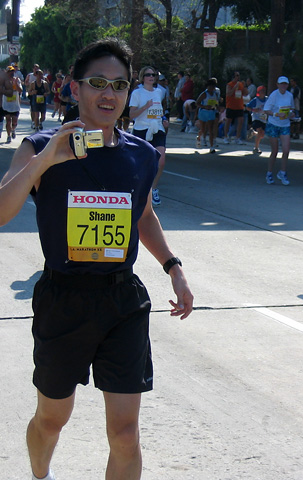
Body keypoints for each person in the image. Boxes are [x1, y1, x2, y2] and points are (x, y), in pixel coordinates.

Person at [0, 37, 193, 480]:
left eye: (120, 85)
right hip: (63, 300)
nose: (109, 94)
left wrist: (174, 268)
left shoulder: (141, 155)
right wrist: (46, 161)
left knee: (126, 433)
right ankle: (40, 475)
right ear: (74, 88)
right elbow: (2, 211)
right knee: (52, 420)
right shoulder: (40, 146)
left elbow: (142, 213)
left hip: (122, 301)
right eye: (98, 83)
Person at [129, 66, 169, 206]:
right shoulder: (137, 93)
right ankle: (140, 189)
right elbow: (131, 115)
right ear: (142, 77)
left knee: (161, 160)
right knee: (142, 163)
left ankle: (154, 188)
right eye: (148, 75)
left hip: (157, 128)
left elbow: (159, 110)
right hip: (142, 129)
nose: (151, 77)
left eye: (154, 74)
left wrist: (164, 119)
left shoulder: (159, 92)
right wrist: (145, 107)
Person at [263, 76, 295, 185]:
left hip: (285, 124)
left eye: (285, 84)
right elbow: (266, 110)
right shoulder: (274, 95)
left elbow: (291, 109)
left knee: (286, 150)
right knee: (275, 151)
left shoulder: (289, 95)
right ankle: (269, 173)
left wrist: (291, 114)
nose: (283, 86)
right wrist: (277, 114)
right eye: (281, 84)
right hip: (273, 124)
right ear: (277, 85)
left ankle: (282, 172)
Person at [195, 77, 221, 153]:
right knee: (203, 129)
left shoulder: (215, 94)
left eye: (213, 87)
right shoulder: (204, 94)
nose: (212, 88)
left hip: (211, 112)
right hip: (204, 112)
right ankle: (199, 137)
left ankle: (212, 146)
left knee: (211, 129)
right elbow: (197, 103)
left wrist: (217, 108)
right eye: (210, 86)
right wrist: (204, 106)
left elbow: (216, 103)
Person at [223, 71, 248, 145]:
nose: (238, 77)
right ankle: (226, 137)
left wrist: (244, 86)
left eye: (239, 75)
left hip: (239, 106)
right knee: (228, 121)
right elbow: (229, 93)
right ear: (233, 77)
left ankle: (237, 138)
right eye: (237, 75)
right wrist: (234, 87)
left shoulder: (240, 84)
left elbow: (245, 93)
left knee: (240, 121)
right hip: (231, 106)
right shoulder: (229, 85)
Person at [246, 85, 268, 155]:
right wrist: (253, 110)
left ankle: (253, 133)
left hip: (264, 119)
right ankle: (256, 148)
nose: (263, 92)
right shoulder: (255, 100)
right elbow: (247, 107)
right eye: (261, 91)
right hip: (256, 118)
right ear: (258, 92)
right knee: (260, 131)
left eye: (264, 91)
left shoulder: (267, 99)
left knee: (261, 135)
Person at [3, 65, 22, 142]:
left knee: (14, 121)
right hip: (6, 105)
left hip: (15, 105)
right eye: (10, 72)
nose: (11, 73)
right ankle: (8, 135)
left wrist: (15, 84)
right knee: (8, 121)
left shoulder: (17, 80)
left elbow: (20, 90)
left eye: (13, 71)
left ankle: (13, 130)